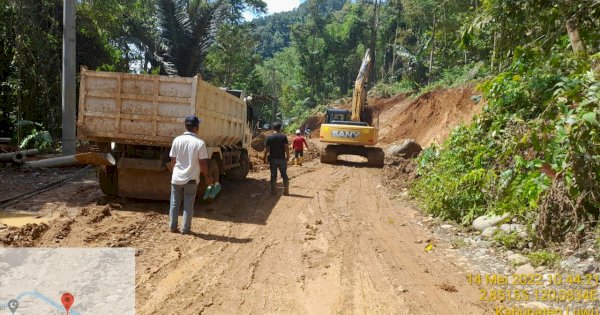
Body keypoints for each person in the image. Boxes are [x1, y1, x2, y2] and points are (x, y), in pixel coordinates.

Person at [168, 116, 213, 234]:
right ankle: (185, 229)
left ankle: (173, 227)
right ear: (197, 127)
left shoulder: (177, 140)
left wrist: (175, 172)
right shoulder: (200, 143)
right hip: (191, 179)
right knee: (188, 204)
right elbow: (202, 163)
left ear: (186, 126)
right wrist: (207, 176)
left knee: (174, 203)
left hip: (176, 178)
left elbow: (173, 159)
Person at [263, 122, 290, 195]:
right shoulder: (283, 136)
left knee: (273, 175)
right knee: (284, 174)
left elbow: (266, 150)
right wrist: (288, 156)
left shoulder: (269, 137)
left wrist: (264, 158)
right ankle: (286, 190)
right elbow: (286, 148)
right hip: (282, 158)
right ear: (280, 128)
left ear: (273, 128)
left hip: (273, 159)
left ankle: (273, 191)